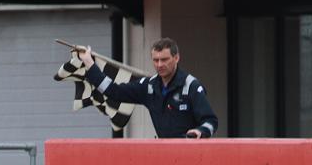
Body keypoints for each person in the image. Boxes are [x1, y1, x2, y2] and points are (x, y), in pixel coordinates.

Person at [79, 38, 217, 139]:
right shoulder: (148, 86)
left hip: (190, 154)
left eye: (164, 59)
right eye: (155, 60)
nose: (159, 65)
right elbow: (113, 92)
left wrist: (200, 131)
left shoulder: (191, 86)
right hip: (163, 154)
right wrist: (89, 63)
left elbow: (211, 121)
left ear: (176, 58)